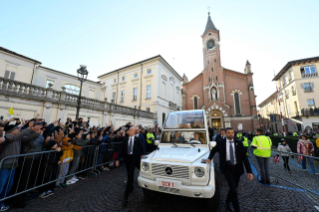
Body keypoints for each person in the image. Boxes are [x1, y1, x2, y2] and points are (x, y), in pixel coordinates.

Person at [206, 128, 253, 212]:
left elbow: (244, 158)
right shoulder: (221, 142)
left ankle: (227, 201)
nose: (231, 134)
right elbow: (213, 150)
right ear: (226, 134)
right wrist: (209, 158)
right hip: (227, 168)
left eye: (232, 133)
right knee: (234, 190)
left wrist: (249, 171)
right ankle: (236, 209)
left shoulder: (239, 143)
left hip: (237, 168)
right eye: (229, 133)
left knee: (233, 188)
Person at [115, 126, 145, 206]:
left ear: (134, 132)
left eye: (131, 130)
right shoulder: (125, 139)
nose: (129, 131)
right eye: (129, 130)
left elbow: (142, 147)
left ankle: (126, 196)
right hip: (127, 160)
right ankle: (131, 186)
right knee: (129, 174)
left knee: (130, 174)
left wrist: (142, 154)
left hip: (134, 160)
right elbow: (121, 150)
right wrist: (117, 159)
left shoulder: (137, 139)